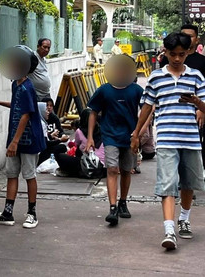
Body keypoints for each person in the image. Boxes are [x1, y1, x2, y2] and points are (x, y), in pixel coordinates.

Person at [132, 32, 205, 250]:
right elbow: (147, 107)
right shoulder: (156, 77)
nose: (176, 59)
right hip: (166, 138)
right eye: (173, 54)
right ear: (165, 52)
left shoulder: (196, 77)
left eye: (181, 54)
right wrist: (136, 134)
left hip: (191, 139)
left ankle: (184, 217)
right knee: (167, 185)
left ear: (188, 52)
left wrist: (196, 102)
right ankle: (169, 230)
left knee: (189, 184)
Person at [0, 46, 46, 229]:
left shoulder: (27, 87)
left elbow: (26, 114)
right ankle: (7, 213)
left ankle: (32, 213)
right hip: (16, 140)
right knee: (11, 175)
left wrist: (14, 142)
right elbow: (17, 105)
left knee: (29, 176)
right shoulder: (16, 84)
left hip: (28, 140)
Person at [86, 55, 143, 226]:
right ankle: (112, 207)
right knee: (112, 169)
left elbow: (147, 110)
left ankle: (123, 202)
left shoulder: (136, 90)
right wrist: (90, 137)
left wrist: (139, 133)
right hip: (110, 135)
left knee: (126, 170)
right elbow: (93, 112)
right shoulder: (104, 90)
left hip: (130, 137)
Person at [159, 24, 205, 176]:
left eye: (190, 36)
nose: (177, 59)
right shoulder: (166, 62)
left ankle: (189, 179)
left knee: (193, 147)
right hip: (170, 121)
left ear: (196, 39)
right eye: (173, 55)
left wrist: (200, 108)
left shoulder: (201, 63)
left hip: (193, 117)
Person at [55, 108, 106, 177]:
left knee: (60, 155)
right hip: (102, 167)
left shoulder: (79, 131)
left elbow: (76, 145)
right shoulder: (103, 130)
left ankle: (73, 171)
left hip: (86, 164)